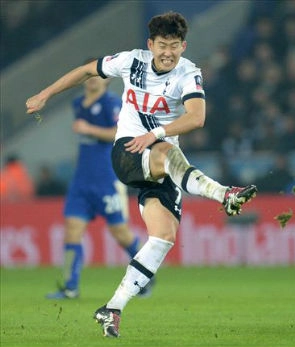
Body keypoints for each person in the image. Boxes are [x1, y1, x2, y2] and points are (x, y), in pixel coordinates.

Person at [26, 11, 257, 338]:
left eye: (175, 46)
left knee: (163, 237)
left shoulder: (189, 73)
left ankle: (112, 308)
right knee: (166, 151)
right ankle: (224, 195)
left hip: (162, 164)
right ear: (151, 44)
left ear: (183, 45)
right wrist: (45, 94)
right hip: (129, 153)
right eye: (162, 45)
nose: (168, 52)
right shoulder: (130, 62)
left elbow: (197, 117)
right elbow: (85, 71)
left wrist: (157, 133)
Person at [45, 73, 148, 299]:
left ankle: (144, 276)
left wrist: (88, 129)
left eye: (97, 76)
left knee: (120, 233)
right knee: (72, 231)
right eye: (88, 75)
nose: (92, 79)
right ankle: (71, 287)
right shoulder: (77, 104)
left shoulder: (111, 104)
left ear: (107, 80)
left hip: (106, 179)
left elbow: (119, 134)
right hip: (81, 181)